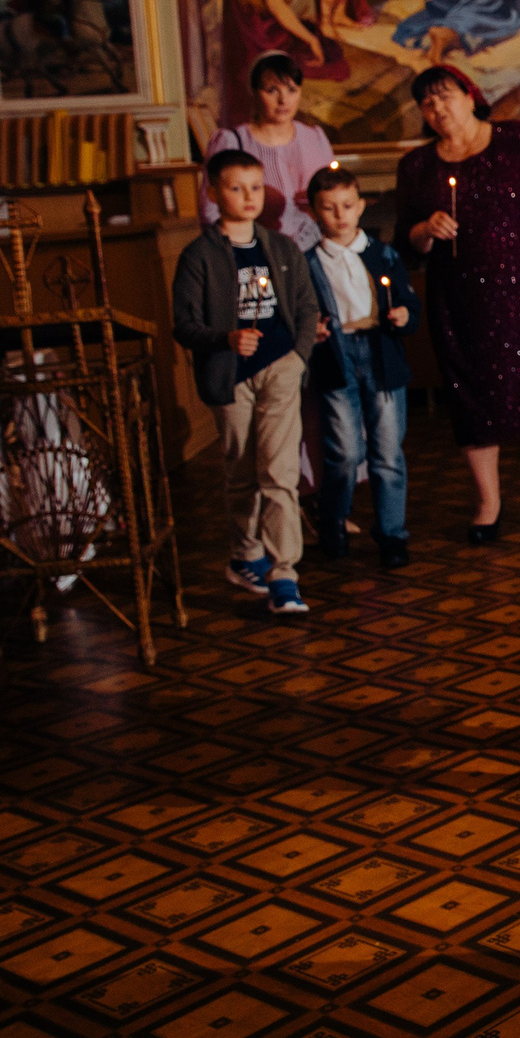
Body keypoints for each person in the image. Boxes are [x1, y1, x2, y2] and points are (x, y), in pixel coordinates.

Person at [398, 65, 520, 543]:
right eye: (427, 104)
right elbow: (403, 239)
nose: (438, 109)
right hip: (459, 299)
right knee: (472, 395)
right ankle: (488, 500)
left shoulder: (517, 139)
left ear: (470, 94)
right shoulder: (417, 166)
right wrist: (423, 230)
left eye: (445, 96)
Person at [174, 151, 321, 618]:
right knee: (242, 469)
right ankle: (244, 552)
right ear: (214, 193)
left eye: (256, 187)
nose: (248, 197)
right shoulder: (198, 256)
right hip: (229, 373)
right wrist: (226, 339)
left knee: (278, 471)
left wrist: (297, 357)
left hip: (279, 366)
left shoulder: (281, 249)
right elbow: (184, 324)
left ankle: (284, 574)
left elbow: (305, 305)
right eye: (236, 188)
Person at [304, 164, 423, 570]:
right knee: (345, 452)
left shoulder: (382, 253)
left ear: (360, 206)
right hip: (336, 358)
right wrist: (312, 330)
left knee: (387, 451)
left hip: (381, 354)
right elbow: (303, 313)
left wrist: (405, 315)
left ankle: (392, 533)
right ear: (314, 212)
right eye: (330, 208)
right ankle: (333, 521)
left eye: (347, 206)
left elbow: (408, 300)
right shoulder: (309, 263)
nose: (340, 215)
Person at [201, 53, 340, 251]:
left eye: (292, 90)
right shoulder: (232, 142)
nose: (284, 100)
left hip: (315, 250)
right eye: (272, 90)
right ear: (254, 92)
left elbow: (335, 193)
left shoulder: (315, 138)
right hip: (258, 251)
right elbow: (210, 211)